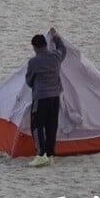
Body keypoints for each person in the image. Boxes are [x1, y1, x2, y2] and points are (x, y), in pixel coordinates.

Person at [25, 28, 68, 167]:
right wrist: (55, 36)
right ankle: (50, 155)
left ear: (35, 47)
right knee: (51, 126)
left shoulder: (34, 62)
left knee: (37, 126)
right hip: (55, 97)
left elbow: (29, 81)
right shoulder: (56, 56)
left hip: (40, 98)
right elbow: (63, 48)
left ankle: (40, 154)